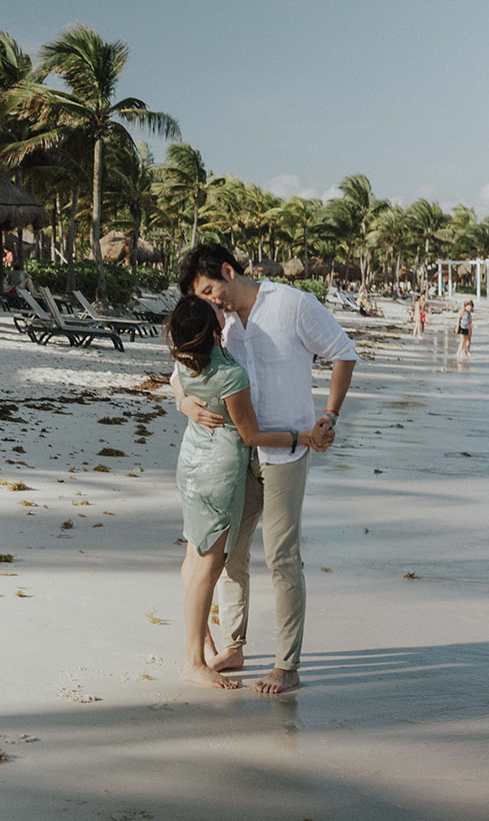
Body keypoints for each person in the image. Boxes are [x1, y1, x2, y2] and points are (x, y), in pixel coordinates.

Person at [175, 242, 358, 695]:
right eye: (202, 297)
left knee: (281, 557)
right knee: (232, 554)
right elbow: (179, 370)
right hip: (237, 455)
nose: (210, 301)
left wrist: (329, 416)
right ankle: (233, 645)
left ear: (228, 270)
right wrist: (183, 404)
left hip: (288, 453)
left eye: (211, 290)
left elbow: (343, 351)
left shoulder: (293, 305)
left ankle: (286, 665)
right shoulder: (219, 325)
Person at [164, 296, 319, 690]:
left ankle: (201, 641)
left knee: (193, 553)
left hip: (190, 465)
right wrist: (301, 436)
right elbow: (250, 435)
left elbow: (178, 386)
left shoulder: (185, 364)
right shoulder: (230, 375)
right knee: (209, 566)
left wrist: (183, 403)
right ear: (214, 332)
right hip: (218, 472)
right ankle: (193, 660)